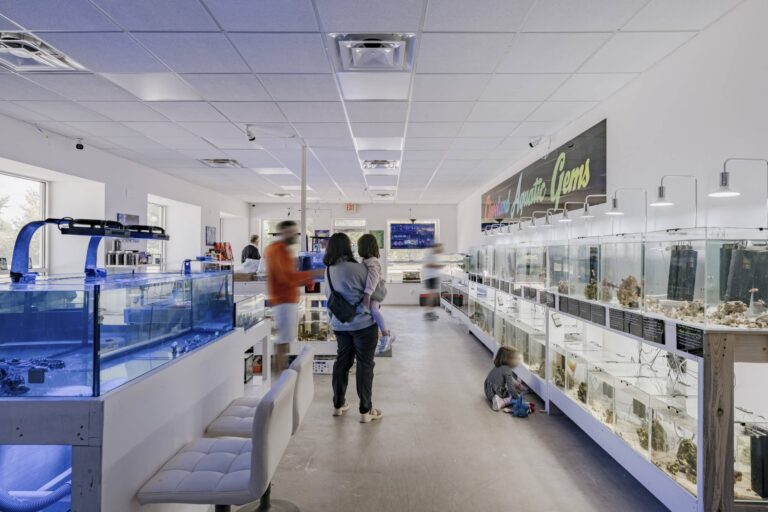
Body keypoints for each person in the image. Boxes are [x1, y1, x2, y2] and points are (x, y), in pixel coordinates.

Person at [324, 233, 383, 424]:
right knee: (365, 365)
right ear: (348, 247)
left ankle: (337, 405)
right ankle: (366, 411)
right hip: (364, 325)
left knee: (342, 362)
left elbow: (328, 297)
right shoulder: (360, 268)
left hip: (340, 325)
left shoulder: (328, 271)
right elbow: (379, 292)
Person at [264, 221, 320, 373]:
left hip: (288, 301)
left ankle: (282, 375)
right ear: (282, 233)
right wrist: (313, 274)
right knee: (282, 343)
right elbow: (285, 278)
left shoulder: (284, 251)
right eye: (291, 232)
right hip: (284, 302)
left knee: (286, 340)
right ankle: (279, 381)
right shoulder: (276, 250)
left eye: (295, 232)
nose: (295, 235)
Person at [357, 233, 395, 354]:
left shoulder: (372, 261)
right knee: (372, 312)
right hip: (373, 292)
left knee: (374, 311)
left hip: (375, 292)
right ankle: (387, 334)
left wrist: (367, 294)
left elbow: (373, 278)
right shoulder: (367, 260)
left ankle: (385, 335)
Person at [484, 347, 525, 412]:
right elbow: (511, 388)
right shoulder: (507, 370)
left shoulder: (498, 365)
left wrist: (517, 385)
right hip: (496, 391)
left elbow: (510, 378)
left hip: (487, 391)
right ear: (510, 360)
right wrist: (517, 397)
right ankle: (501, 402)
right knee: (511, 395)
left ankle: (495, 398)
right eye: (516, 359)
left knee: (507, 386)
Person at [422, 243, 445, 321]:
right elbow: (428, 265)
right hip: (430, 277)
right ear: (436, 247)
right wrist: (439, 266)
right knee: (431, 296)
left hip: (432, 277)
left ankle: (430, 312)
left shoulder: (433, 254)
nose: (441, 250)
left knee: (432, 295)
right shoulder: (429, 253)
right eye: (440, 248)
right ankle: (428, 313)